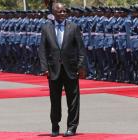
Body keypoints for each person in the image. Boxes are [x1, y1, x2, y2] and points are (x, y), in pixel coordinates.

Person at [38, 2, 86, 137]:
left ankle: (72, 127)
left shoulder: (73, 27)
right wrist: (44, 67)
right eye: (60, 11)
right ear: (53, 12)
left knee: (73, 100)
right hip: (53, 69)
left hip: (71, 69)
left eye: (65, 11)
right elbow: (42, 49)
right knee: (55, 100)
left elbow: (81, 49)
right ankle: (55, 126)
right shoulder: (46, 28)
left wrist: (81, 66)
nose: (63, 14)